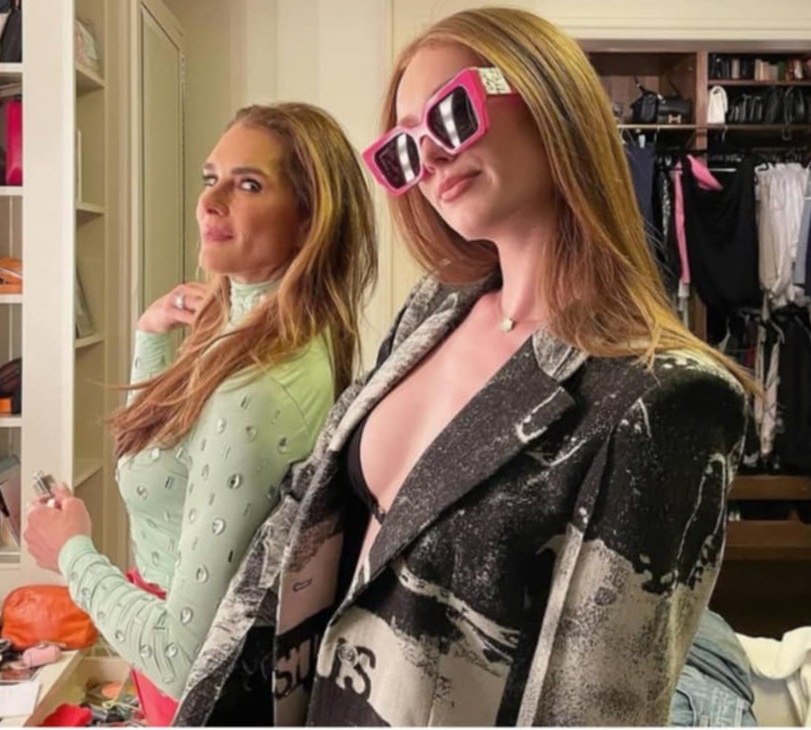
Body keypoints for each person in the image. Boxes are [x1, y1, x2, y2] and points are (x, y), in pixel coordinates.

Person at [175, 7, 754, 727]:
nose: (429, 160)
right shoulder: (435, 309)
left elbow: (592, 708)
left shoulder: (664, 396)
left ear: (546, 94)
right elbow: (307, 528)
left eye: (450, 115)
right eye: (403, 149)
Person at [22, 102, 377, 725]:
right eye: (211, 178)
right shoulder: (252, 328)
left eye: (249, 184)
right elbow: (157, 450)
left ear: (308, 220)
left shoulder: (257, 387)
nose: (210, 202)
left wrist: (72, 554)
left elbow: (185, 658)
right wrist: (151, 337)